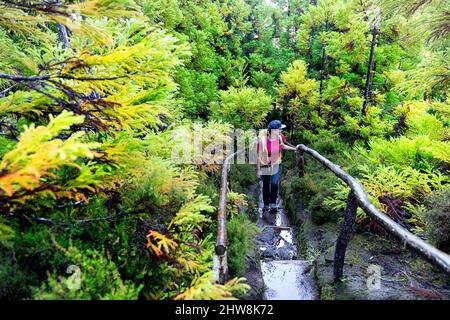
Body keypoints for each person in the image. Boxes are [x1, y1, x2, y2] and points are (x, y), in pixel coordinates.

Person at [256, 120, 299, 213]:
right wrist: (258, 170)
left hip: (277, 163)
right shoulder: (262, 140)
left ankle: (273, 203)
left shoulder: (280, 137)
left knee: (275, 183)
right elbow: (259, 156)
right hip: (265, 165)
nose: (281, 131)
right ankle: (266, 204)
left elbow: (282, 146)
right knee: (266, 185)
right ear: (273, 130)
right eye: (279, 129)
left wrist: (294, 148)